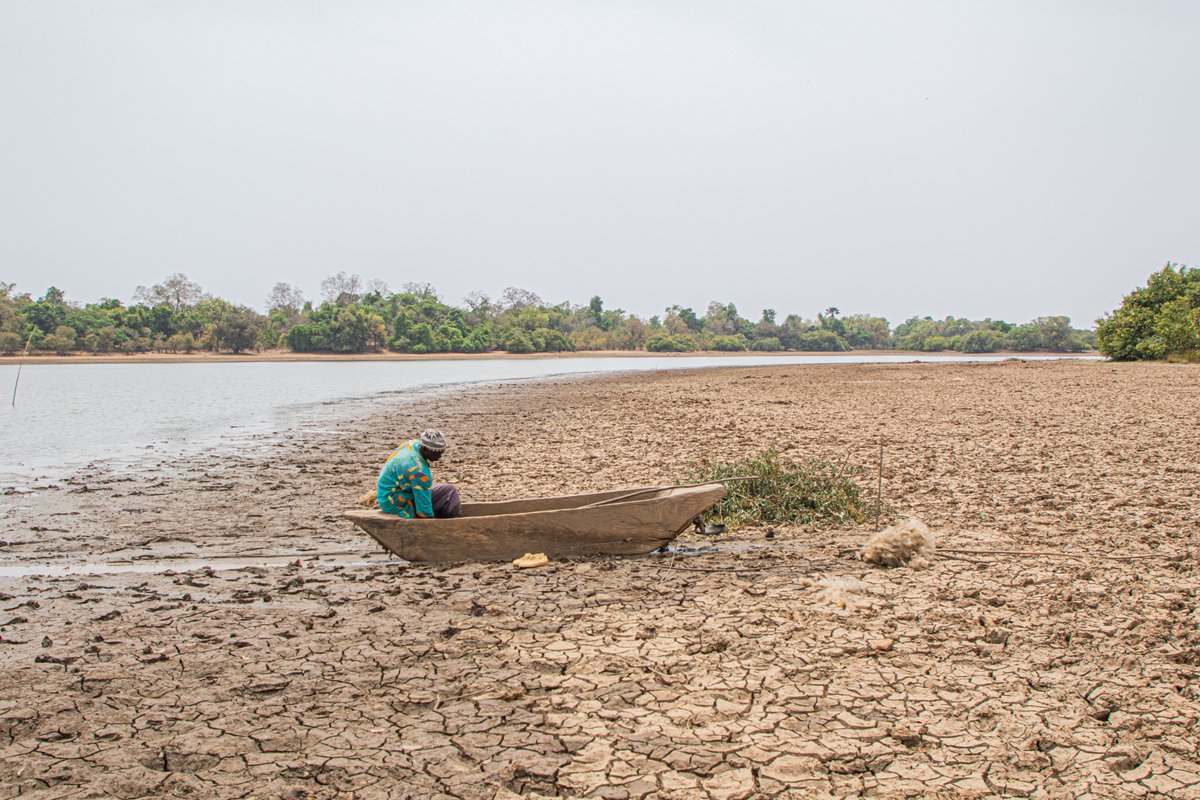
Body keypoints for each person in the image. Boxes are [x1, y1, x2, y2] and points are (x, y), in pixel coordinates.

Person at [375, 428, 462, 518]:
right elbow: (424, 510)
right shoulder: (418, 471)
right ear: (425, 449)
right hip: (392, 501)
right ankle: (458, 522)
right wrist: (431, 523)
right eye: (436, 453)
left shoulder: (414, 444)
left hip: (386, 492)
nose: (439, 457)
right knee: (450, 492)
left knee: (447, 490)